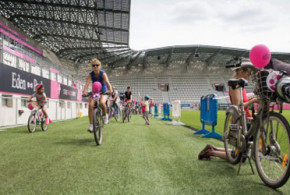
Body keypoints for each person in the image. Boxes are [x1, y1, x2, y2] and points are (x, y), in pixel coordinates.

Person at [198, 63, 259, 160]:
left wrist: (251, 99)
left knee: (241, 152)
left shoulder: (238, 84)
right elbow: (238, 106)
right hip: (242, 120)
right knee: (239, 156)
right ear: (241, 72)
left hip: (245, 118)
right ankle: (211, 152)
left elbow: (242, 102)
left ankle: (213, 148)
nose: (249, 77)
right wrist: (253, 100)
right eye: (248, 74)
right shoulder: (235, 85)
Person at [83, 58, 113, 132]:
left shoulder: (103, 74)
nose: (95, 67)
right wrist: (85, 91)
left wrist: (110, 90)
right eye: (93, 65)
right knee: (90, 105)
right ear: (92, 67)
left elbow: (107, 82)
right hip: (94, 92)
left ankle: (106, 115)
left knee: (102, 102)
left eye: (97, 65)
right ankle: (91, 125)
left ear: (100, 66)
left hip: (103, 92)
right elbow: (87, 84)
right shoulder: (90, 74)